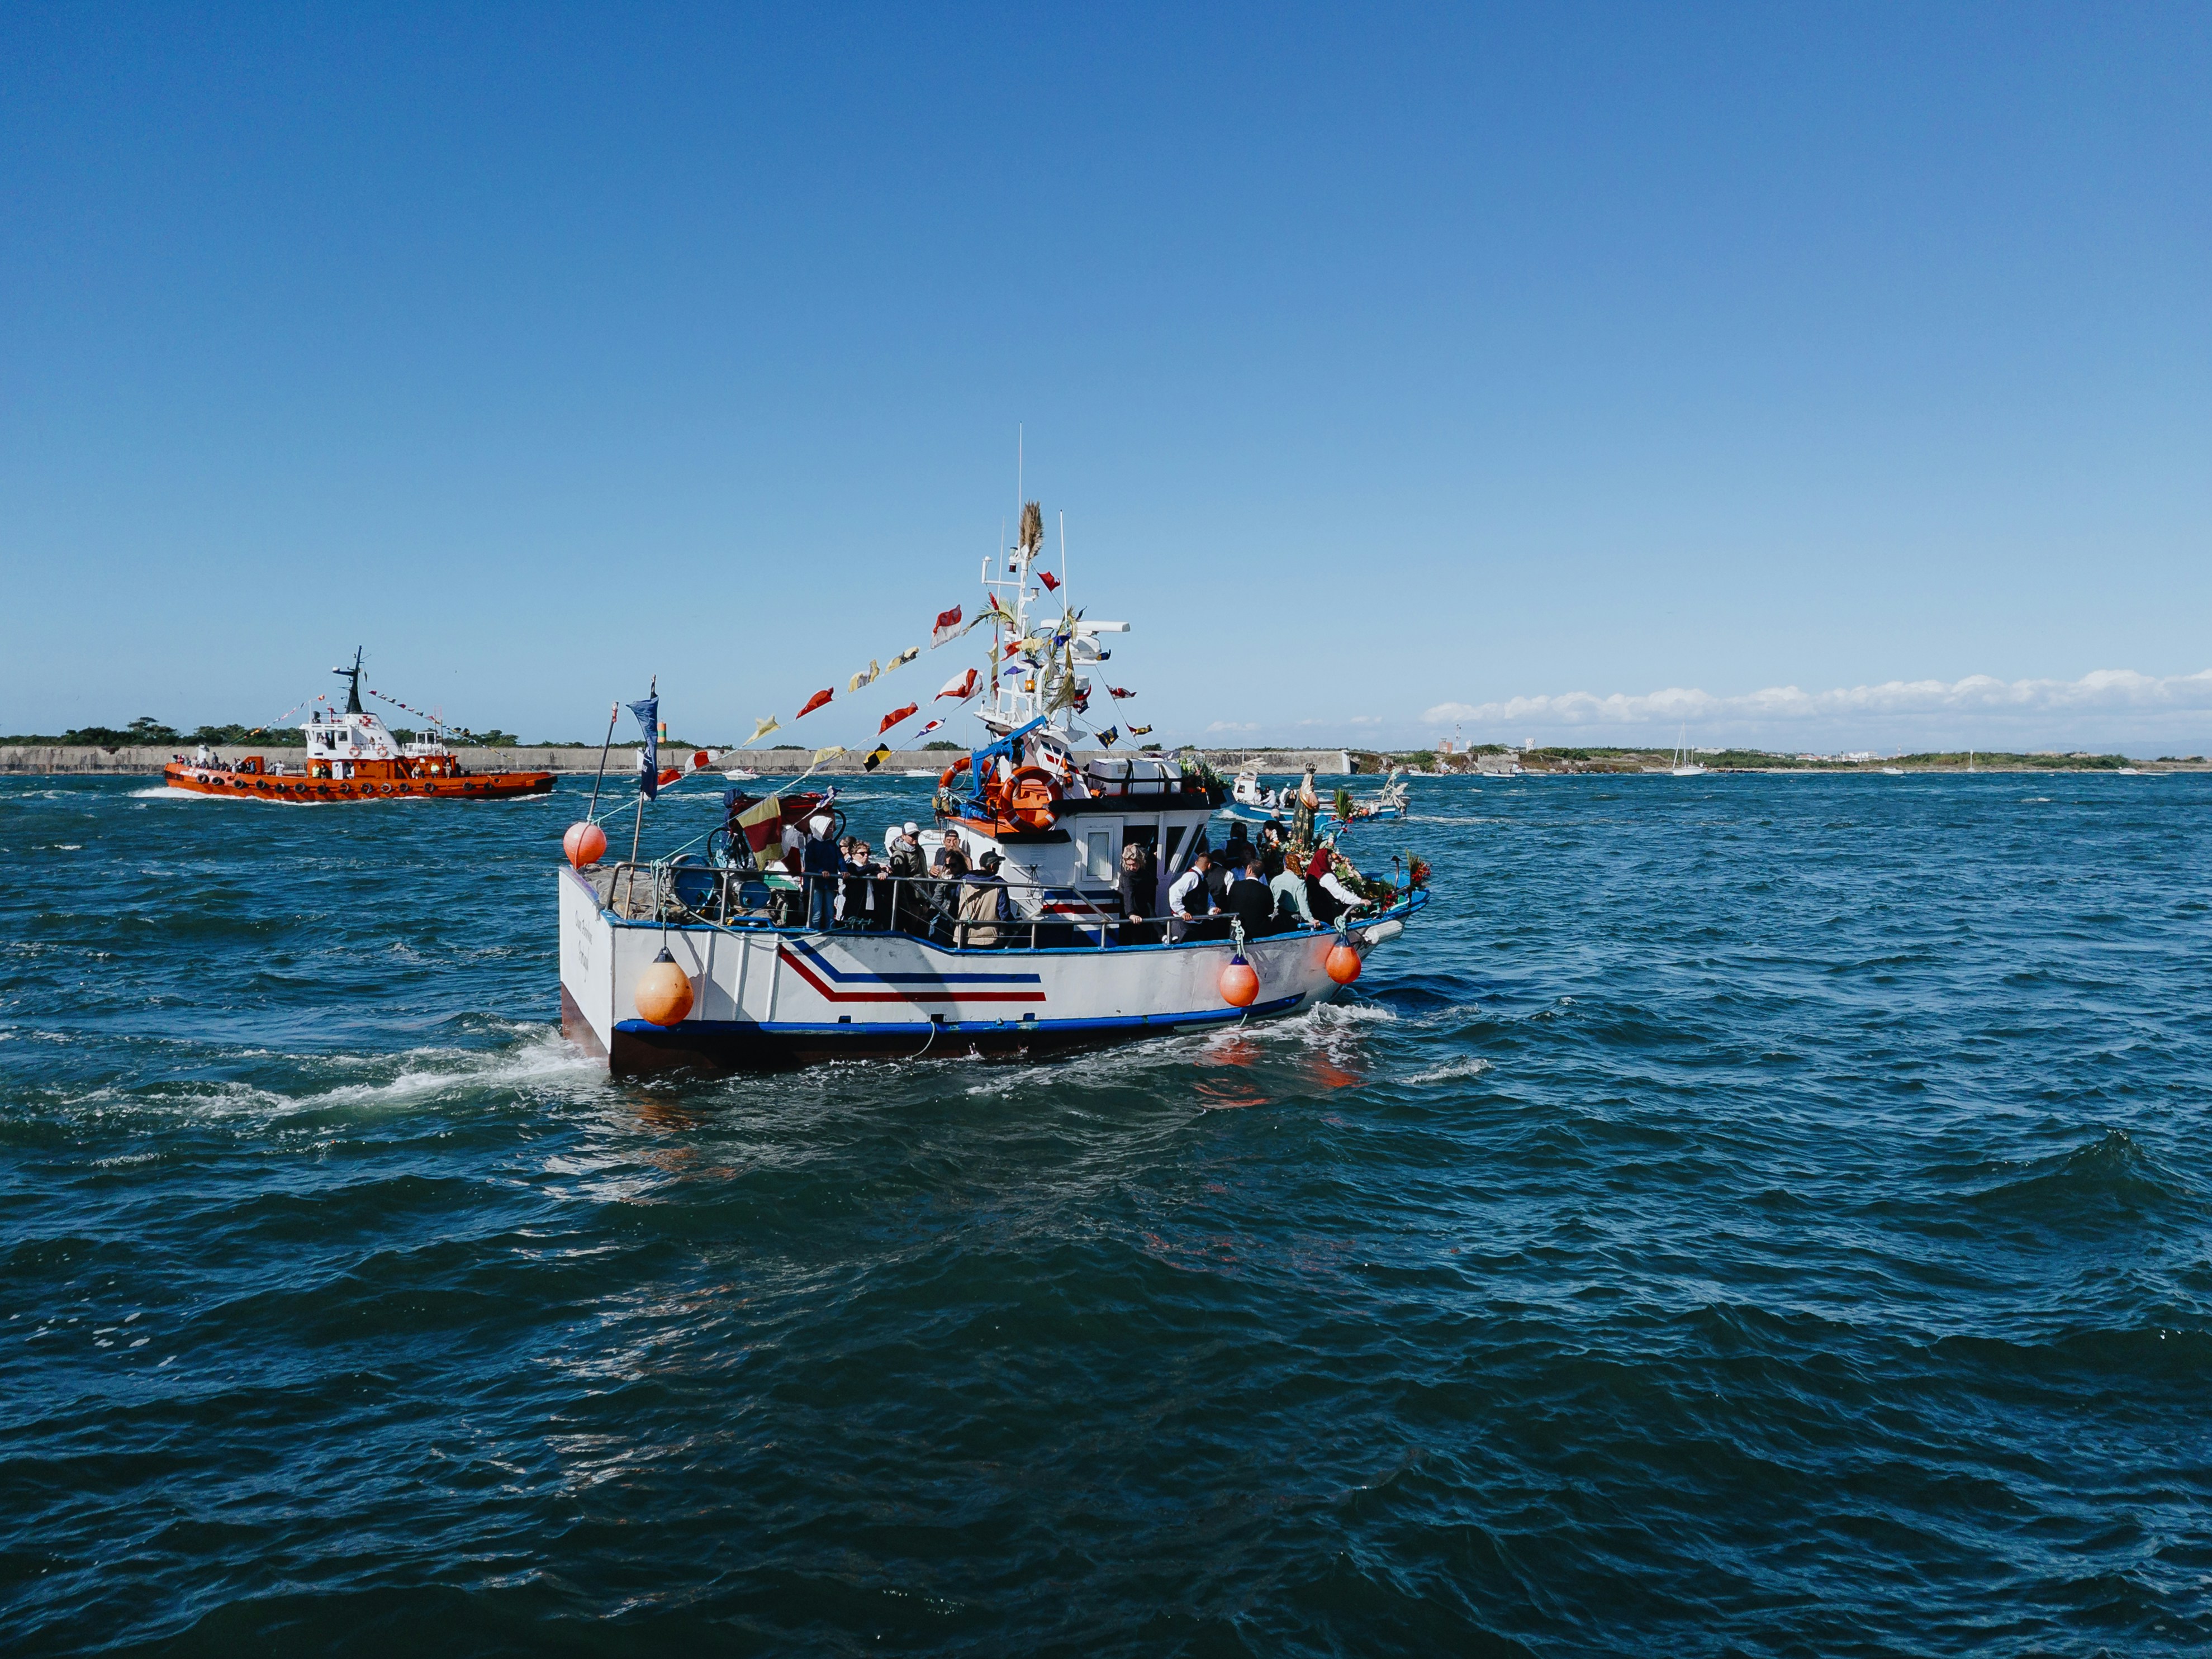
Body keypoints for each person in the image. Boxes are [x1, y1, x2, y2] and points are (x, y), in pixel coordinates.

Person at [959, 850, 1013, 947]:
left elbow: (955, 905)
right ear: (992, 866)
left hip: (963, 936)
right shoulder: (999, 885)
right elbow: (1004, 914)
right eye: (998, 864)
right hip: (990, 938)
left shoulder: (964, 882)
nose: (999, 867)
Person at [801, 812, 844, 930]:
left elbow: (840, 859)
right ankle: (814, 930)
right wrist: (821, 871)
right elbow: (809, 864)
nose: (832, 830)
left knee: (830, 911)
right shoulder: (812, 846)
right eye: (829, 828)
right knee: (817, 911)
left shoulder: (832, 845)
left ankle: (830, 930)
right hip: (817, 883)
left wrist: (844, 871)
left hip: (829, 883)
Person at [1166, 850, 1218, 942]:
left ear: (1196, 862)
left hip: (1194, 924)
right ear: (1210, 866)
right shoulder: (1192, 877)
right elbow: (1174, 891)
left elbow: (1206, 899)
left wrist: (1212, 910)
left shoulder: (1202, 880)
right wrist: (1182, 912)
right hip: (1184, 925)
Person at [1225, 853, 1276, 938]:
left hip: (1237, 930)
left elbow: (1229, 904)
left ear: (1249, 870)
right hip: (1259, 931)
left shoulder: (1236, 886)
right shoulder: (1266, 890)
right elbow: (1270, 910)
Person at [1116, 840, 1156, 945]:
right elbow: (1128, 893)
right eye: (1129, 865)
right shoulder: (1128, 875)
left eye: (1133, 864)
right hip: (1129, 900)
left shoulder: (1145, 862)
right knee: (1134, 932)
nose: (1132, 867)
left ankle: (1161, 936)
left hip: (1141, 898)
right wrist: (1131, 914)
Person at [1271, 857, 1317, 928]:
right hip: (1294, 919)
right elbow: (1303, 906)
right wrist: (1311, 919)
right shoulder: (1299, 883)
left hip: (1277, 916)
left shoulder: (1275, 880)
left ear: (1285, 866)